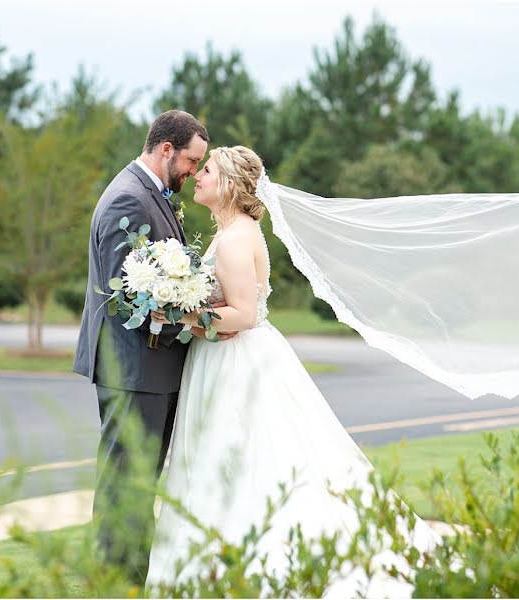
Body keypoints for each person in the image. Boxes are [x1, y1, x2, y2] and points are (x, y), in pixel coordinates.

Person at [145, 146, 440, 596]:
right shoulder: (237, 232)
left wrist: (176, 316)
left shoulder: (233, 239)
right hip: (236, 356)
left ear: (230, 185)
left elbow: (242, 314)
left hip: (235, 361)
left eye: (209, 170)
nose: (199, 176)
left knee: (240, 461)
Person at [73, 110, 218, 583]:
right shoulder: (128, 200)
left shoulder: (152, 196)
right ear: (166, 150)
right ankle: (117, 578)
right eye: (192, 162)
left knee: (140, 478)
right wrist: (187, 316)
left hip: (150, 368)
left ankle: (133, 573)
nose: (194, 172)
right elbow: (124, 294)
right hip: (133, 367)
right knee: (125, 480)